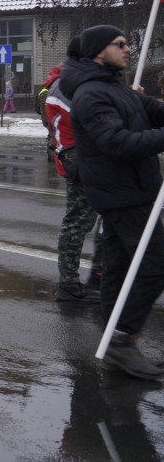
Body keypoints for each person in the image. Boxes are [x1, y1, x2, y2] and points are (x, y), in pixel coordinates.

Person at [63, 24, 164, 379]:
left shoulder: (116, 88)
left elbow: (154, 113)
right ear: (97, 51)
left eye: (128, 42)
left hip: (134, 191)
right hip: (123, 194)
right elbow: (117, 143)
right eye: (119, 44)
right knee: (155, 265)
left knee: (119, 270)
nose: (127, 48)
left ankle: (112, 342)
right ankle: (122, 340)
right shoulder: (92, 94)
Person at [45, 37, 102, 303]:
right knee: (78, 222)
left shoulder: (71, 81)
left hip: (85, 159)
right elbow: (93, 123)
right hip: (80, 161)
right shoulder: (67, 86)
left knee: (107, 217)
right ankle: (69, 284)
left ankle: (99, 276)